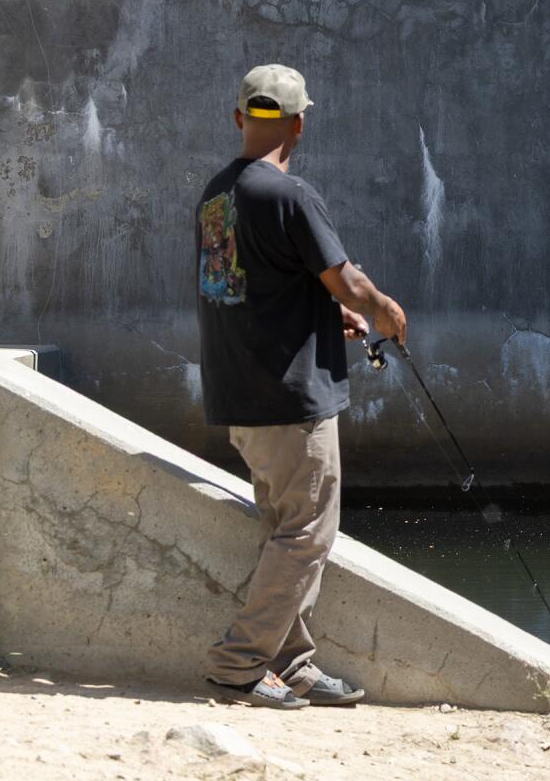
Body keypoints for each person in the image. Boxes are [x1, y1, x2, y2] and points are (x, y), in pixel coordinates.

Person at [195, 64, 407, 709]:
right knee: (307, 535)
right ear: (300, 123)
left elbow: (247, 286)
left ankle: (294, 663)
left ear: (239, 119)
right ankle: (239, 664)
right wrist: (383, 312)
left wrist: (325, 313)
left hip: (241, 392)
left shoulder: (216, 194)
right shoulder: (290, 194)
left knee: (282, 532)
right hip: (291, 400)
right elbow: (344, 280)